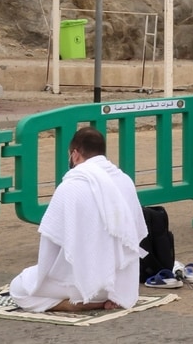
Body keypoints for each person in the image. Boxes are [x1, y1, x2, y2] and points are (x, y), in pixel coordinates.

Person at [9, 127, 147, 312]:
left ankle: (75, 304)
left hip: (83, 287)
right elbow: (137, 234)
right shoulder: (125, 180)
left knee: (19, 287)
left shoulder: (71, 186)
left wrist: (41, 277)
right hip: (120, 287)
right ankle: (103, 300)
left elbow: (50, 243)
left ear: (75, 155)